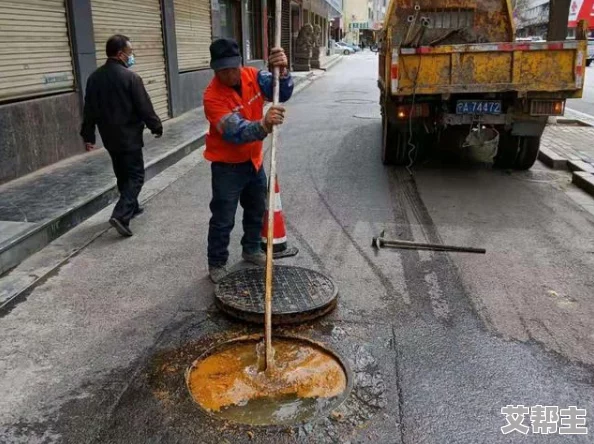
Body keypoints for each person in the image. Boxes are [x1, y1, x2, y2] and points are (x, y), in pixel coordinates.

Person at [203, 38, 294, 283]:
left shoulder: (253, 76)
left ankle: (252, 248)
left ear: (240, 64)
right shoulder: (212, 97)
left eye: (233, 67)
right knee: (223, 218)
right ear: (214, 69)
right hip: (227, 167)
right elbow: (234, 132)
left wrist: (282, 70)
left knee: (256, 210)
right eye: (222, 70)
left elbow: (282, 92)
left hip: (254, 161)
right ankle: (217, 262)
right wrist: (264, 124)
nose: (229, 74)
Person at [80, 34, 163, 237]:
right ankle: (121, 214)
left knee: (122, 173)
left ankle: (132, 207)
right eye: (130, 52)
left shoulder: (94, 78)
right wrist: (156, 125)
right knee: (135, 175)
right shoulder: (130, 78)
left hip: (109, 137)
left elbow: (89, 110)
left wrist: (88, 135)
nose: (131, 56)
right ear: (120, 54)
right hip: (129, 135)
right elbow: (144, 106)